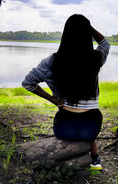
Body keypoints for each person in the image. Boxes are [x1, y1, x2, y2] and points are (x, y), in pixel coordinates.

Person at [22, 14, 110, 170]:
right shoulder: (95, 59)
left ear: (65, 34)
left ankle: (92, 159)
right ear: (87, 34)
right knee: (90, 128)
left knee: (76, 123)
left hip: (63, 127)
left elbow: (28, 83)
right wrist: (88, 28)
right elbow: (105, 44)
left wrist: (54, 100)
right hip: (90, 128)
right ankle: (95, 160)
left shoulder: (52, 61)